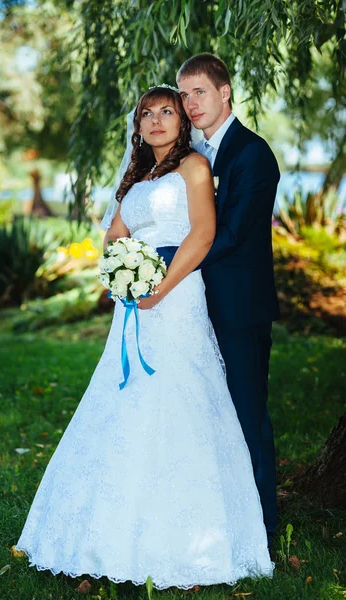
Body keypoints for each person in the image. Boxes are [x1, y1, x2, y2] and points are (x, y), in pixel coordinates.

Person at [16, 86, 274, 589]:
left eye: (167, 113)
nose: (156, 121)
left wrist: (159, 287)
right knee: (123, 397)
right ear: (137, 126)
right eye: (147, 114)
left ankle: (193, 535)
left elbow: (202, 234)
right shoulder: (136, 175)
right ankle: (108, 529)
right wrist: (121, 273)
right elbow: (115, 232)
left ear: (183, 123)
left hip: (177, 296)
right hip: (134, 303)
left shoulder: (194, 168)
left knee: (181, 396)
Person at [174, 53, 281, 551]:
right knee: (204, 412)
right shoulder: (189, 154)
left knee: (246, 413)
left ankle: (262, 525)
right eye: (184, 94)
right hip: (194, 307)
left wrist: (165, 258)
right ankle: (216, 516)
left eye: (200, 92)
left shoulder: (252, 154)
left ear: (225, 92)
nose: (190, 103)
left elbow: (233, 233)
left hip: (239, 310)